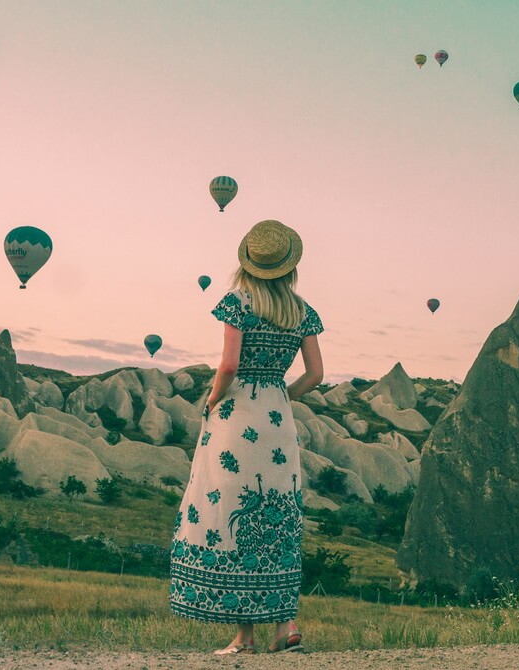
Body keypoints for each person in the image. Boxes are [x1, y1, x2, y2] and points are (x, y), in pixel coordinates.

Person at [168, 219, 325, 655]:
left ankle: (244, 637)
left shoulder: (238, 302)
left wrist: (211, 401)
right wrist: (282, 395)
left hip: (237, 419)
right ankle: (286, 626)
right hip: (278, 420)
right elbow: (317, 374)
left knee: (234, 511)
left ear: (248, 264)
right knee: (279, 513)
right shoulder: (302, 310)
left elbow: (229, 366)